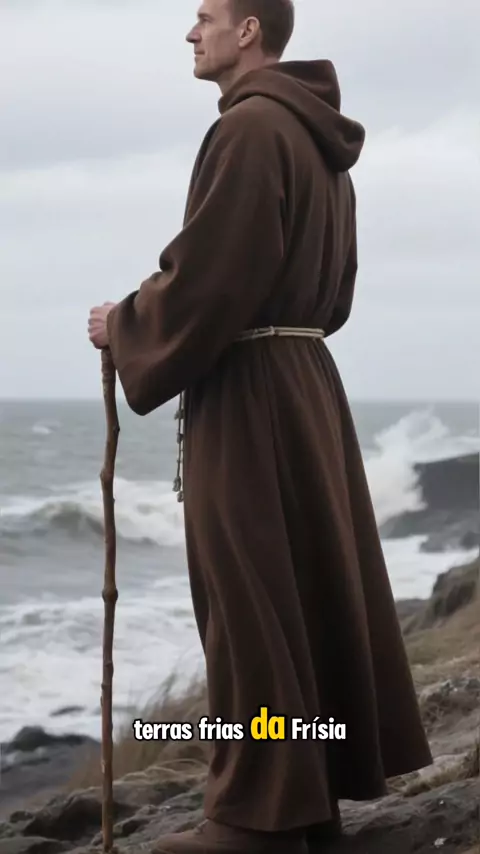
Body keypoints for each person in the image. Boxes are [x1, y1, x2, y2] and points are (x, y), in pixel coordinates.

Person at [88, 0, 433, 851]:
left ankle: (254, 821)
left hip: (250, 392)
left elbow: (210, 275)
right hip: (304, 382)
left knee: (247, 604)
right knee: (297, 593)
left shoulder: (249, 129)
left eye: (206, 16)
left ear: (249, 32)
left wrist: (125, 322)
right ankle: (304, 806)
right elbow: (335, 291)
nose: (191, 32)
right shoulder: (316, 141)